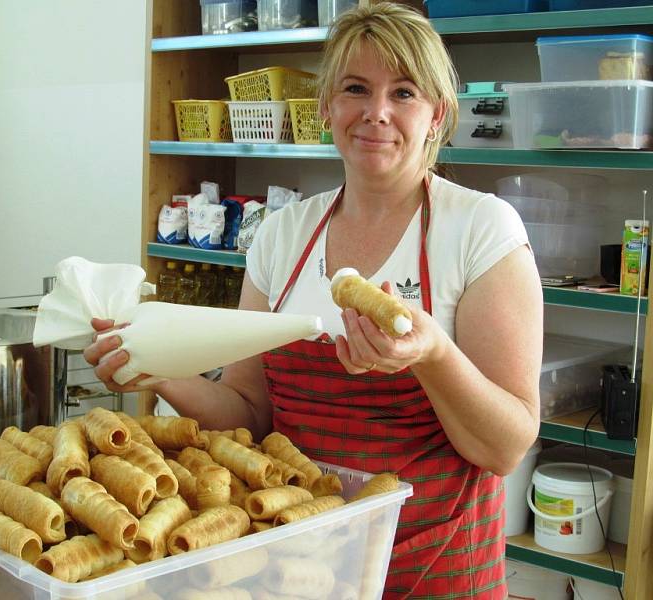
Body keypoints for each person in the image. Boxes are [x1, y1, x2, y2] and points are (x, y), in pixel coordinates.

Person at [85, 3, 542, 598]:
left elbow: (505, 445)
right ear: (326, 107)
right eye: (356, 89)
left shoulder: (481, 229)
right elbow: (249, 413)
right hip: (303, 564)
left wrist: (432, 356)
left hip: (435, 567)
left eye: (403, 92)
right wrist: (158, 371)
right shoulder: (283, 234)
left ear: (439, 115)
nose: (376, 113)